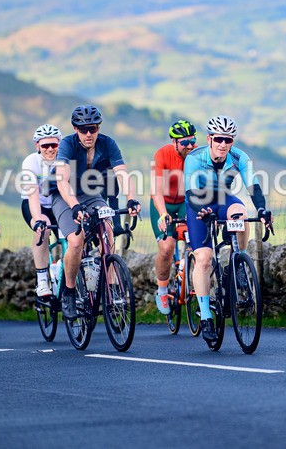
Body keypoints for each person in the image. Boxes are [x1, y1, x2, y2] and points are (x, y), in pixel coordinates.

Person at [183, 115, 273, 342]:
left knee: (241, 214)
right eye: (219, 139)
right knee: (204, 259)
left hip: (224, 199)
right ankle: (206, 316)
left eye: (228, 140)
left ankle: (237, 261)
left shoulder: (239, 157)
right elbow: (191, 193)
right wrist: (202, 210)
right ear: (209, 139)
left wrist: (262, 210)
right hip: (198, 203)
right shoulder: (194, 158)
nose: (223, 144)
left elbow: (253, 186)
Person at [51, 105, 140, 320]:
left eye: (93, 128)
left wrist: (131, 198)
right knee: (76, 241)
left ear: (99, 127)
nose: (89, 134)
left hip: (91, 194)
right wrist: (74, 206)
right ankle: (69, 292)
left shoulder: (108, 144)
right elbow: (62, 180)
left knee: (107, 232)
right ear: (75, 129)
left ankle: (111, 288)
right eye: (83, 129)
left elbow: (122, 174)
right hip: (64, 196)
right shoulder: (67, 144)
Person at [150, 119, 198, 315]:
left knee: (196, 243)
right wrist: (163, 214)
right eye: (184, 142)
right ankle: (162, 291)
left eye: (192, 141)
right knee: (167, 247)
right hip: (164, 203)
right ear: (174, 142)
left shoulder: (197, 155)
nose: (190, 146)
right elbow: (156, 190)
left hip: (185, 203)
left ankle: (198, 287)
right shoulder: (162, 154)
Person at [20, 124, 63, 297]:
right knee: (42, 229)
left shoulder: (65, 160)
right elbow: (32, 194)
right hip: (35, 204)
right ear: (37, 146)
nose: (50, 149)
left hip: (59, 204)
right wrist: (38, 218)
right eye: (45, 145)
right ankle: (42, 280)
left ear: (60, 144)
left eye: (54, 144)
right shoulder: (31, 162)